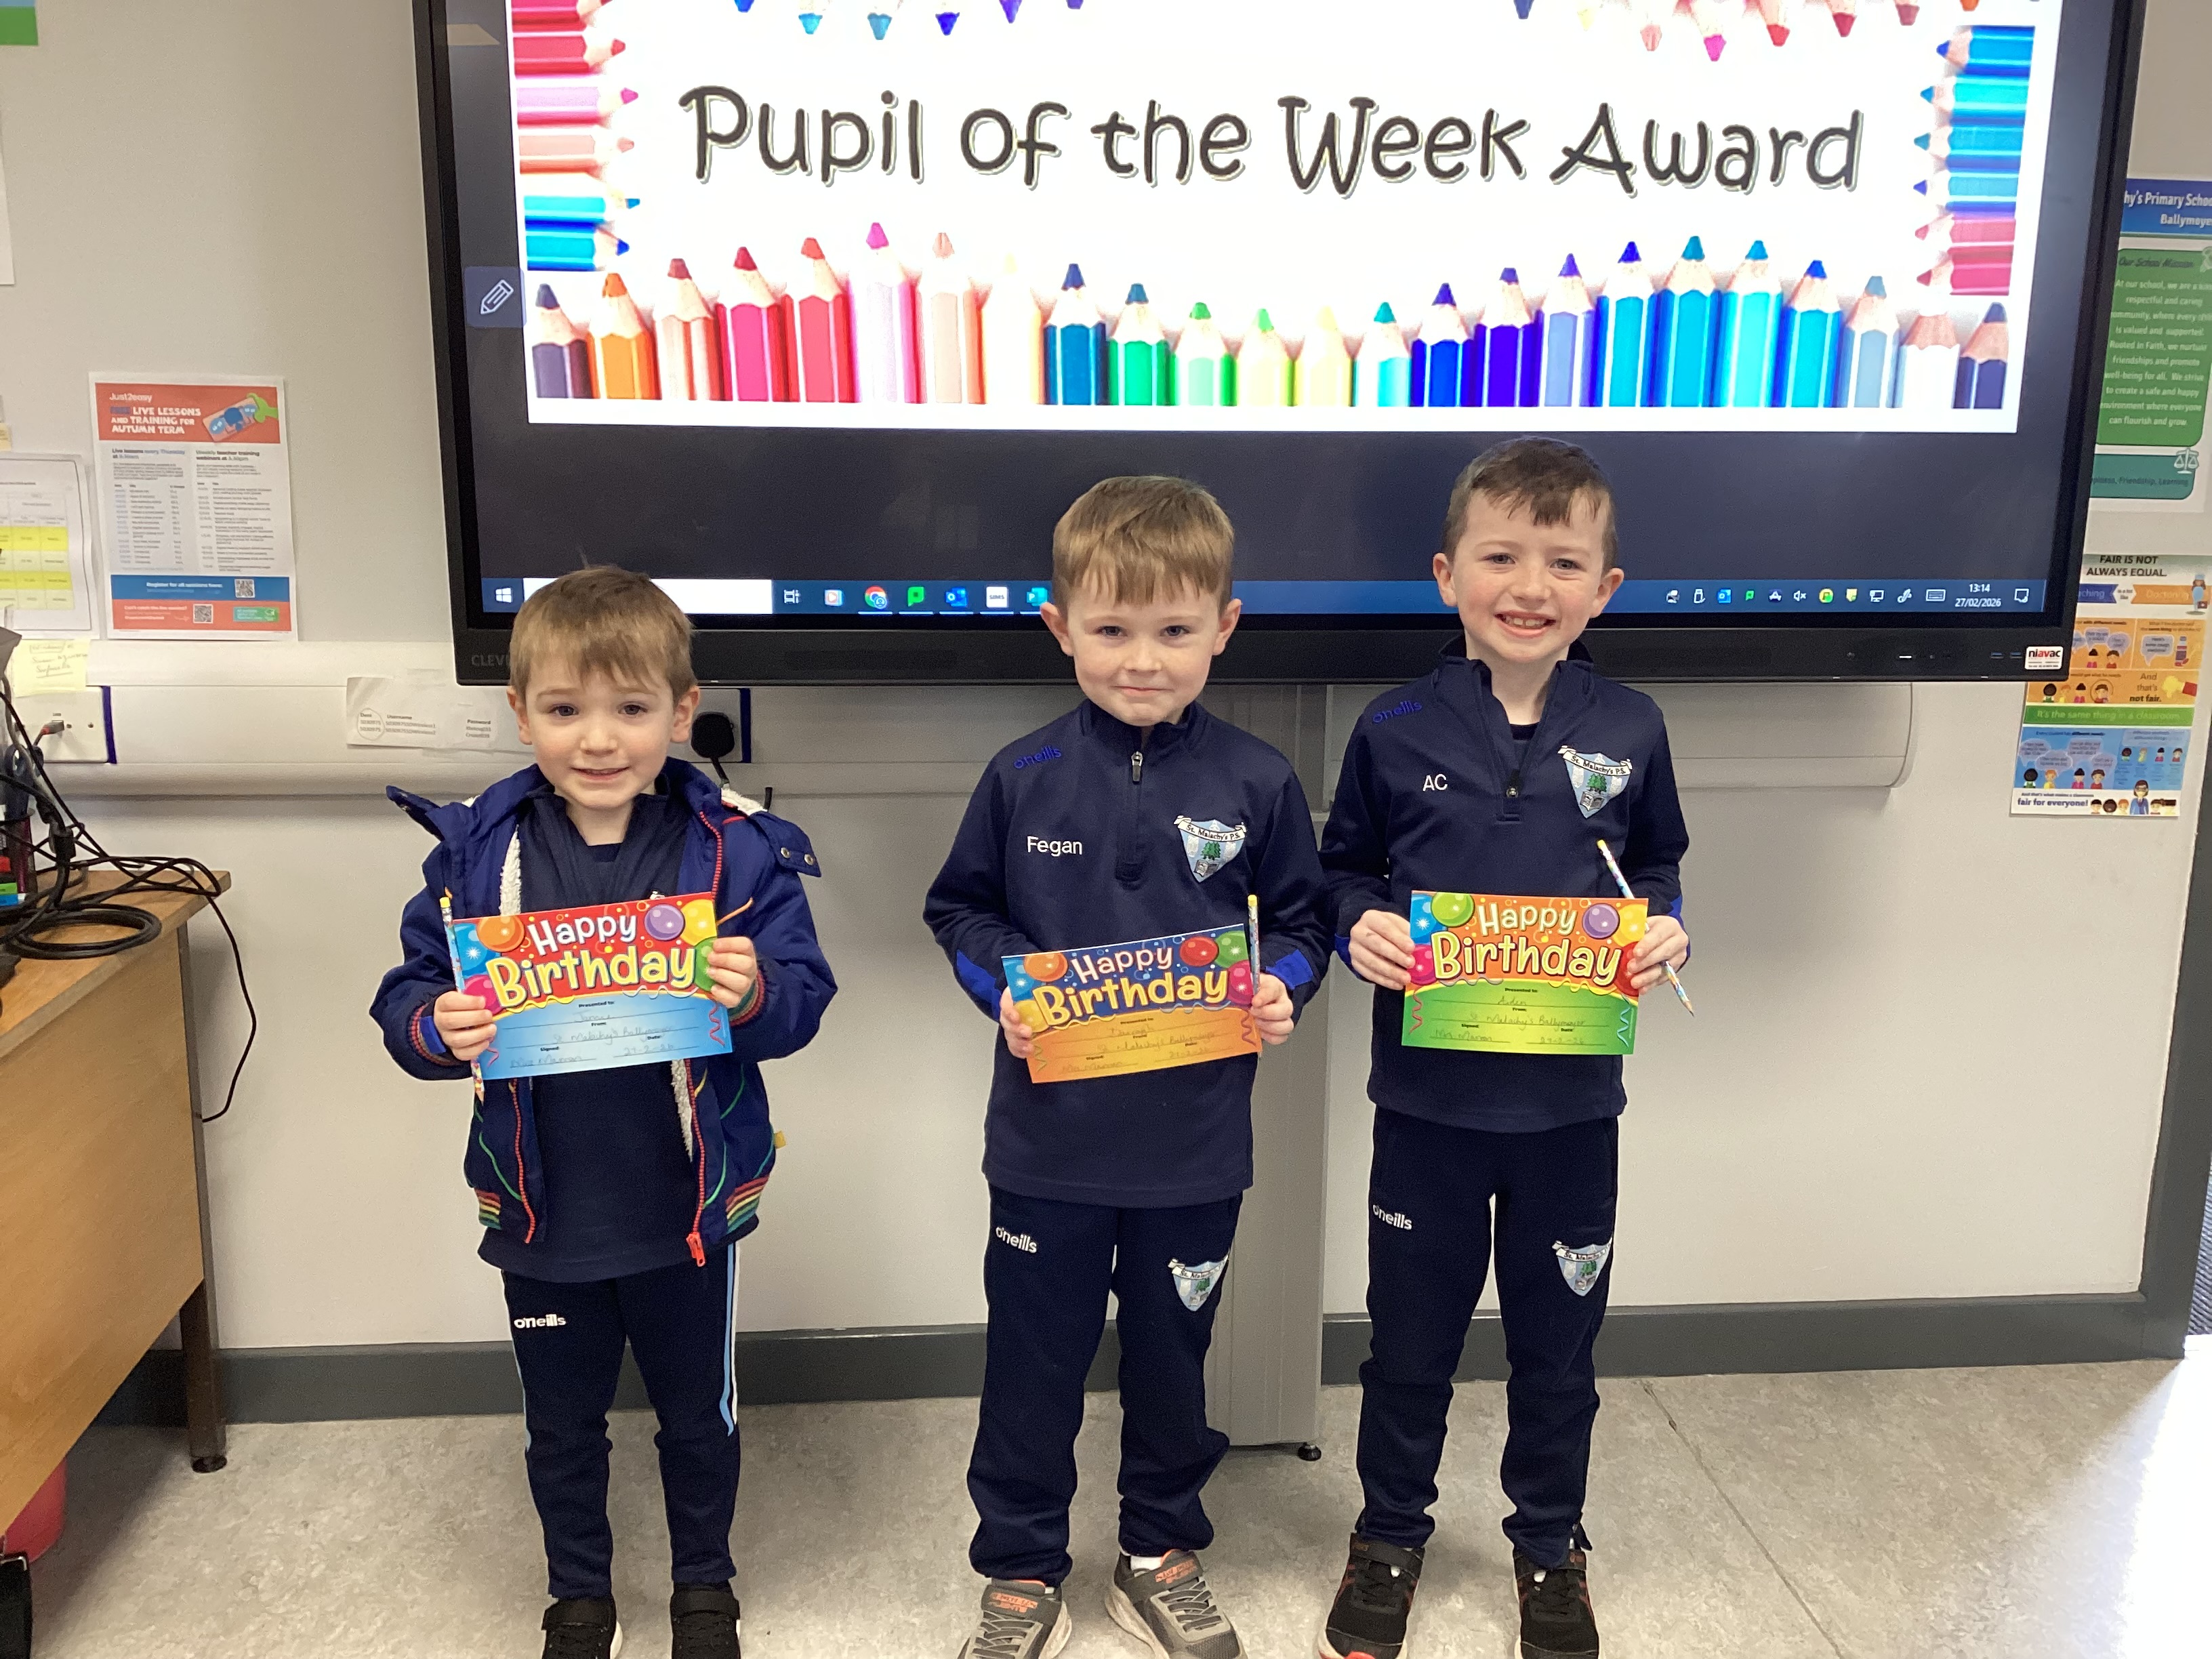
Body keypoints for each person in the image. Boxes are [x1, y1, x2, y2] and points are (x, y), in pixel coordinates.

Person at [371, 567, 836, 1659]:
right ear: (520, 712)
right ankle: (579, 1594)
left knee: (699, 1417)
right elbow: (408, 996)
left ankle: (704, 1587)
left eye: (631, 708)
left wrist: (754, 994)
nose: (597, 739)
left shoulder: (736, 848)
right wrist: (436, 1026)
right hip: (545, 1208)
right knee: (560, 1426)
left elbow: (803, 996)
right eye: (564, 708)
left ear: (681, 711)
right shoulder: (476, 852)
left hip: (684, 1206)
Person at [924, 476, 1334, 1659]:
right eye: (1110, 630)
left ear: (1224, 628)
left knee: (1172, 1361)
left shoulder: (1258, 780)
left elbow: (1303, 926)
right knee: (1032, 1363)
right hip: (1047, 1148)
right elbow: (961, 913)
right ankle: (1020, 1565)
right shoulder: (1023, 773)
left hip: (1193, 1149)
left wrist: (1283, 984)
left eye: (1174, 631)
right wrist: (1007, 984)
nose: (1142, 660)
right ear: (1060, 628)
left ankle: (1158, 1550)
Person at [1313, 439, 1689, 1659]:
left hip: (1572, 1114)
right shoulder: (1391, 725)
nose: (1531, 586)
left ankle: (1550, 1546)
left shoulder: (1632, 724)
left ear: (1605, 589)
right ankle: (1389, 1536)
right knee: (1409, 1344)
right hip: (1427, 1106)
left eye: (1564, 563)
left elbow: (1657, 868)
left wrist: (1665, 930)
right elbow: (1344, 870)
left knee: (1558, 1350)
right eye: (1501, 557)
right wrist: (1360, 923)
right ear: (1447, 575)